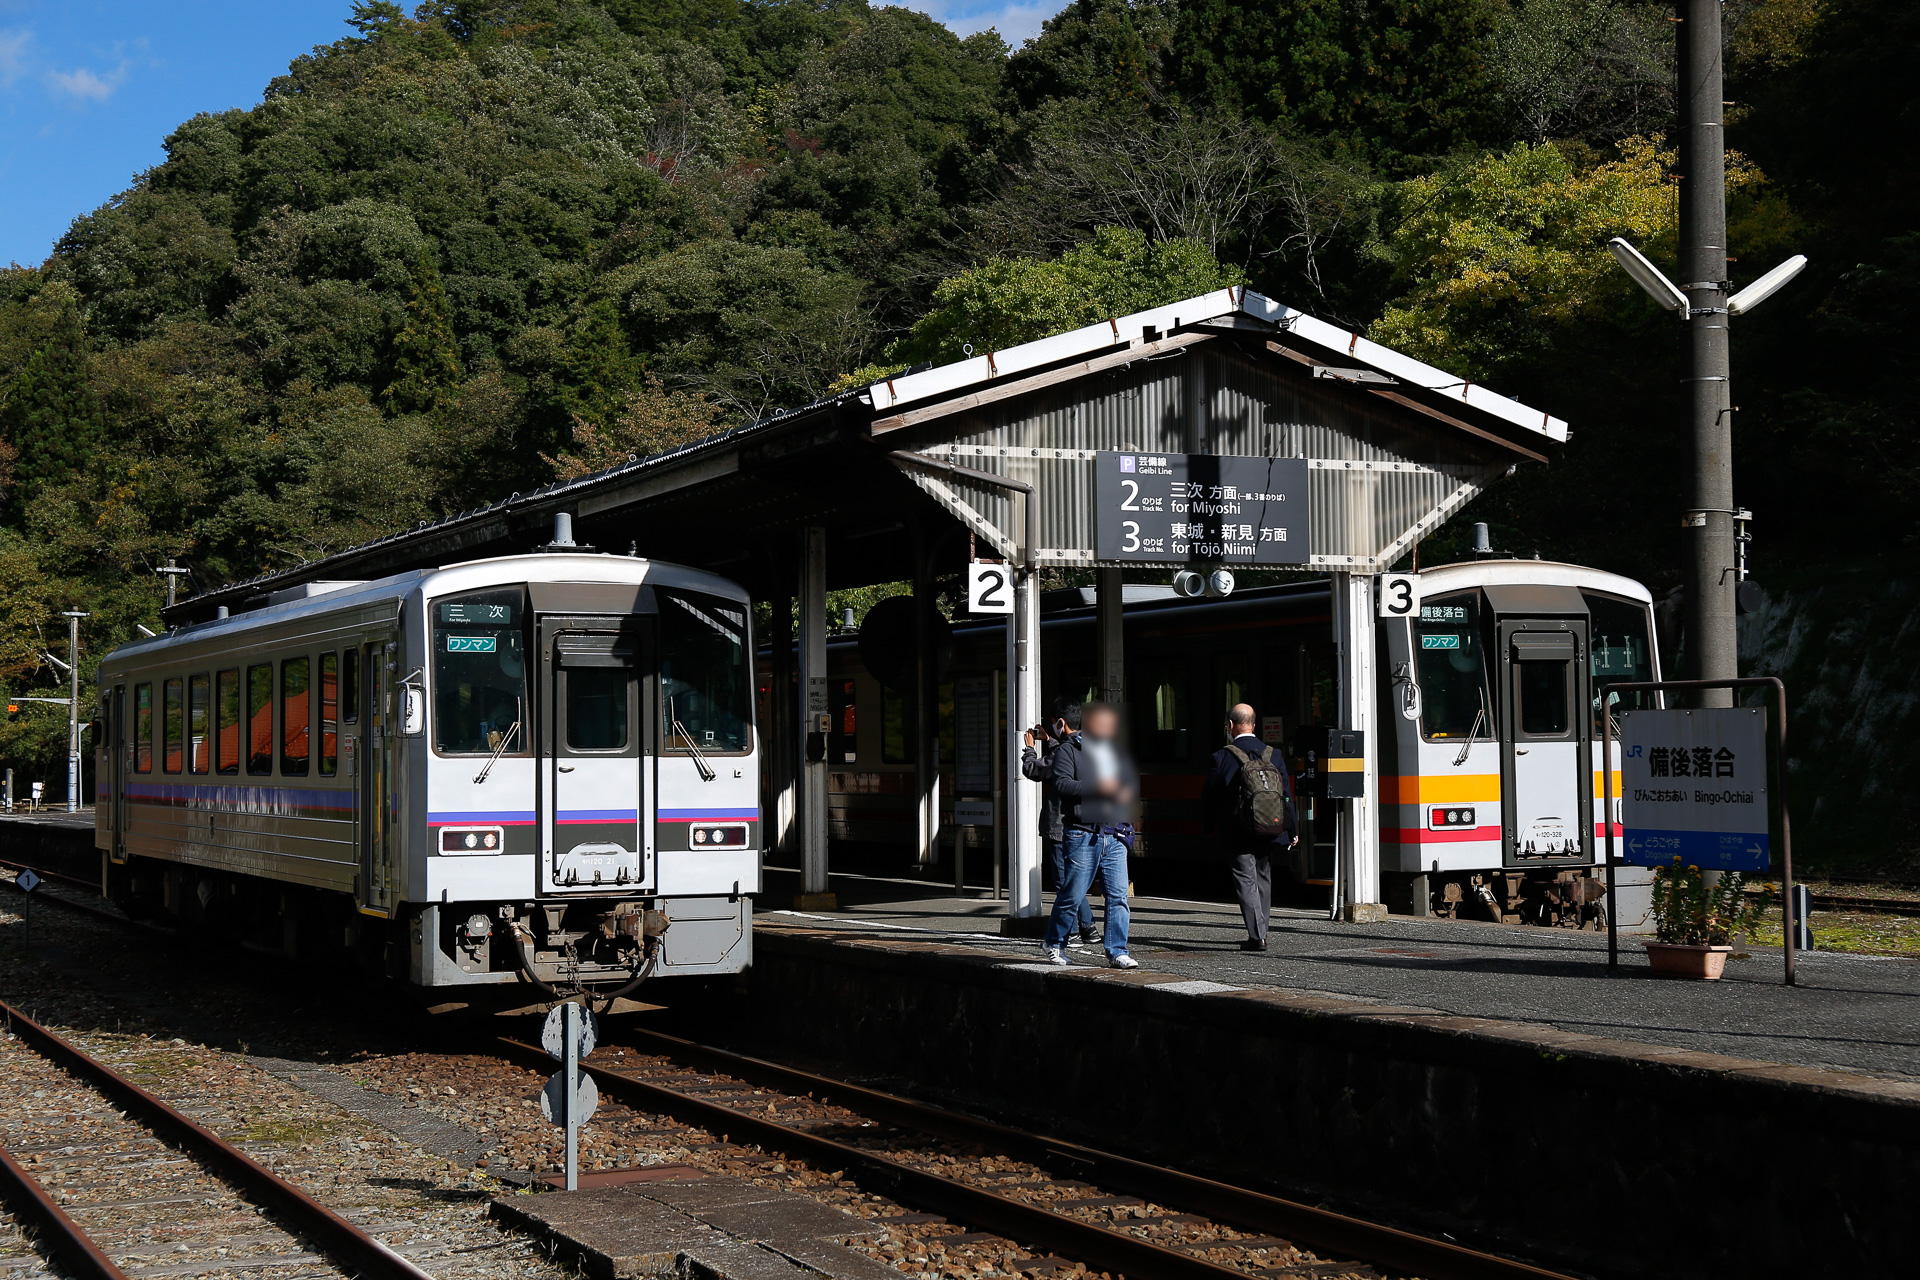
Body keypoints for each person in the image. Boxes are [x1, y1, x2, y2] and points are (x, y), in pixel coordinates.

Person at [1044, 701, 1138, 969]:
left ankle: (1118, 951)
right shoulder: (1067, 750)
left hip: (1114, 831)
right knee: (1073, 894)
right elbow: (1062, 784)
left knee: (1118, 895)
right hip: (1082, 833)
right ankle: (1054, 943)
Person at [1203, 704, 1297, 951]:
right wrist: (1292, 829)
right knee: (1263, 878)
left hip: (1237, 831)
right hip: (1269, 828)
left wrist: (1208, 826)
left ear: (1230, 726)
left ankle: (1257, 936)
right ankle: (1262, 929)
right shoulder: (1273, 754)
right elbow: (1286, 796)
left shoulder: (1222, 757)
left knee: (1246, 880)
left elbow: (1210, 797)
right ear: (1254, 725)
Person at [1023, 699, 1096, 945]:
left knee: (1064, 882)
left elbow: (1033, 770)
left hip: (1059, 824)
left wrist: (1030, 748)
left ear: (1061, 723)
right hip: (1080, 822)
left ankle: (1071, 932)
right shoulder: (1086, 745)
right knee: (1075, 879)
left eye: (1053, 723)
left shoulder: (1063, 753)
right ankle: (1088, 928)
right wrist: (1050, 740)